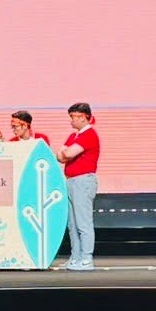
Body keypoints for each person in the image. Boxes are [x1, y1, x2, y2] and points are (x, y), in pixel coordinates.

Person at [59, 102, 100, 271]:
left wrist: (65, 153)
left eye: (74, 116)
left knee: (83, 222)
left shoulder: (89, 134)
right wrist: (65, 153)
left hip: (83, 181)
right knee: (73, 223)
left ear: (84, 117)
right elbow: (60, 157)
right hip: (70, 180)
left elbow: (67, 153)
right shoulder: (73, 136)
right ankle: (75, 257)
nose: (71, 120)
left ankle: (86, 258)